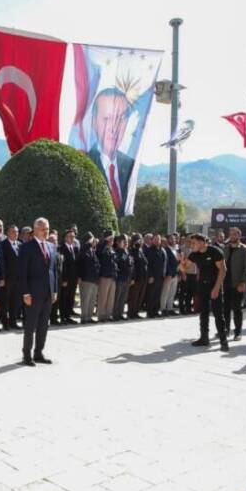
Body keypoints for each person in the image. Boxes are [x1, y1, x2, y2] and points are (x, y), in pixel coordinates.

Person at [84, 89, 135, 217]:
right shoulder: (84, 165)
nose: (114, 128)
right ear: (93, 122)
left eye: (121, 119)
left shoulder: (131, 166)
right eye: (106, 119)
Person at [18, 217, 57, 366]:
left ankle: (39, 352)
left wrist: (54, 291)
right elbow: (22, 273)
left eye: (47, 228)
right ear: (35, 230)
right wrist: (26, 293)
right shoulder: (27, 247)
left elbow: (53, 271)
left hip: (48, 293)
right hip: (33, 294)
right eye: (42, 228)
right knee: (31, 325)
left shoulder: (51, 246)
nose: (46, 231)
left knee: (43, 324)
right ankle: (26, 355)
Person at [184, 233, 228, 351]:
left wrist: (216, 288)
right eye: (191, 243)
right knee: (203, 313)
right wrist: (181, 261)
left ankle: (223, 341)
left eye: (194, 243)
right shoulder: (194, 254)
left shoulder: (215, 252)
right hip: (202, 286)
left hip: (215, 285)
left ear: (202, 242)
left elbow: (223, 270)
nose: (191, 245)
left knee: (218, 314)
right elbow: (184, 267)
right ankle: (204, 338)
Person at [223, 227, 246, 342]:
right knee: (225, 308)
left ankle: (238, 332)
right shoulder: (225, 248)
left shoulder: (245, 250)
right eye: (230, 234)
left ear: (239, 236)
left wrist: (243, 282)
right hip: (225, 283)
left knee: (237, 309)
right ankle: (226, 329)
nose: (232, 237)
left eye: (235, 235)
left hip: (237, 283)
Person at [0, 225, 22, 330]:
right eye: (13, 232)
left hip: (18, 279)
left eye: (17, 232)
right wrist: (2, 277)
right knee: (5, 301)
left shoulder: (20, 245)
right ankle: (5, 323)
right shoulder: (2, 245)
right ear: (7, 233)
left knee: (15, 301)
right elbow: (2, 262)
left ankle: (13, 322)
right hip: (7, 278)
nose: (16, 233)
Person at [58, 229, 80, 324]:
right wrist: (64, 279)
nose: (72, 238)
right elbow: (62, 265)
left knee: (71, 298)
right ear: (65, 238)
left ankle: (68, 316)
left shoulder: (74, 248)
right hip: (66, 279)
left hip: (73, 278)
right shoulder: (61, 248)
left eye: (73, 237)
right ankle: (63, 317)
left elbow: (77, 264)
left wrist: (78, 277)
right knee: (64, 298)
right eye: (70, 236)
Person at [78, 233, 100, 324]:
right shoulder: (84, 248)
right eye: (92, 239)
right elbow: (79, 262)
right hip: (86, 278)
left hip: (94, 278)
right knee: (86, 299)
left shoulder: (92, 249)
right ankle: (84, 317)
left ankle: (89, 316)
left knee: (92, 298)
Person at [144, 234, 166, 319]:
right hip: (153, 276)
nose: (157, 241)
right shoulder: (150, 250)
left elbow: (163, 263)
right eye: (156, 239)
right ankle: (150, 312)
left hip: (160, 276)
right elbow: (148, 265)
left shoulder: (161, 250)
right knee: (151, 294)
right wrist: (150, 276)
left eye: (159, 239)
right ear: (152, 240)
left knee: (157, 294)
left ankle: (155, 311)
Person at [96, 231, 116, 321]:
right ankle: (101, 315)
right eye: (111, 238)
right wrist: (105, 242)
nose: (113, 240)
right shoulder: (102, 246)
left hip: (112, 275)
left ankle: (108, 314)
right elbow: (100, 254)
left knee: (110, 297)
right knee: (103, 297)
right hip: (104, 275)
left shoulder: (111, 248)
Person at [112, 235, 133, 321]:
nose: (126, 243)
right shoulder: (117, 251)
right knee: (117, 297)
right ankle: (115, 314)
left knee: (123, 298)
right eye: (124, 242)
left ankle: (120, 313)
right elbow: (118, 262)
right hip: (120, 278)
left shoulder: (127, 252)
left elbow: (131, 265)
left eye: (127, 242)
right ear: (119, 242)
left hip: (127, 278)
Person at [160, 235, 180, 316]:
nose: (173, 240)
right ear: (168, 240)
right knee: (165, 292)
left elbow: (177, 263)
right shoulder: (166, 250)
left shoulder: (175, 249)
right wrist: (168, 274)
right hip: (168, 275)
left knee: (172, 292)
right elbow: (166, 263)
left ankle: (170, 308)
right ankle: (163, 309)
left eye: (174, 239)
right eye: (171, 239)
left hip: (175, 274)